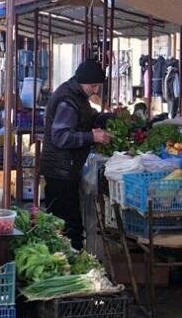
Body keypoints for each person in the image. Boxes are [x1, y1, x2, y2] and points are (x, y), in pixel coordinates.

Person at [40, 59, 112, 250]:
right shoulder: (68, 100)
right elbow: (61, 137)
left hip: (65, 169)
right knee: (68, 225)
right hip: (60, 170)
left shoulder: (76, 96)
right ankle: (69, 262)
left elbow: (83, 119)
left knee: (61, 222)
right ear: (83, 81)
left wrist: (103, 118)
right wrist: (92, 137)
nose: (96, 90)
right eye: (94, 85)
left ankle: (64, 258)